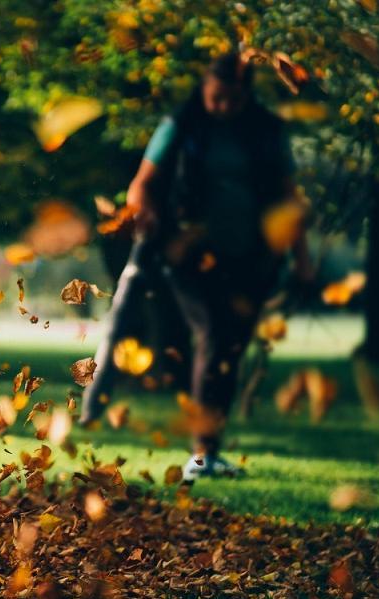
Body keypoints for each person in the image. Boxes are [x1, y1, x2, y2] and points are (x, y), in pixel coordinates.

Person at [90, 53, 313, 480]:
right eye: (215, 98)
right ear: (204, 90)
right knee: (213, 333)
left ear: (246, 94)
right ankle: (200, 455)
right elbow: (143, 183)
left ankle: (209, 448)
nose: (222, 107)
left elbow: (289, 197)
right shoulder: (182, 123)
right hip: (187, 251)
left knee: (230, 345)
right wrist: (142, 214)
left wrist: (301, 261)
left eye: (231, 100)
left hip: (253, 256)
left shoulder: (266, 130)